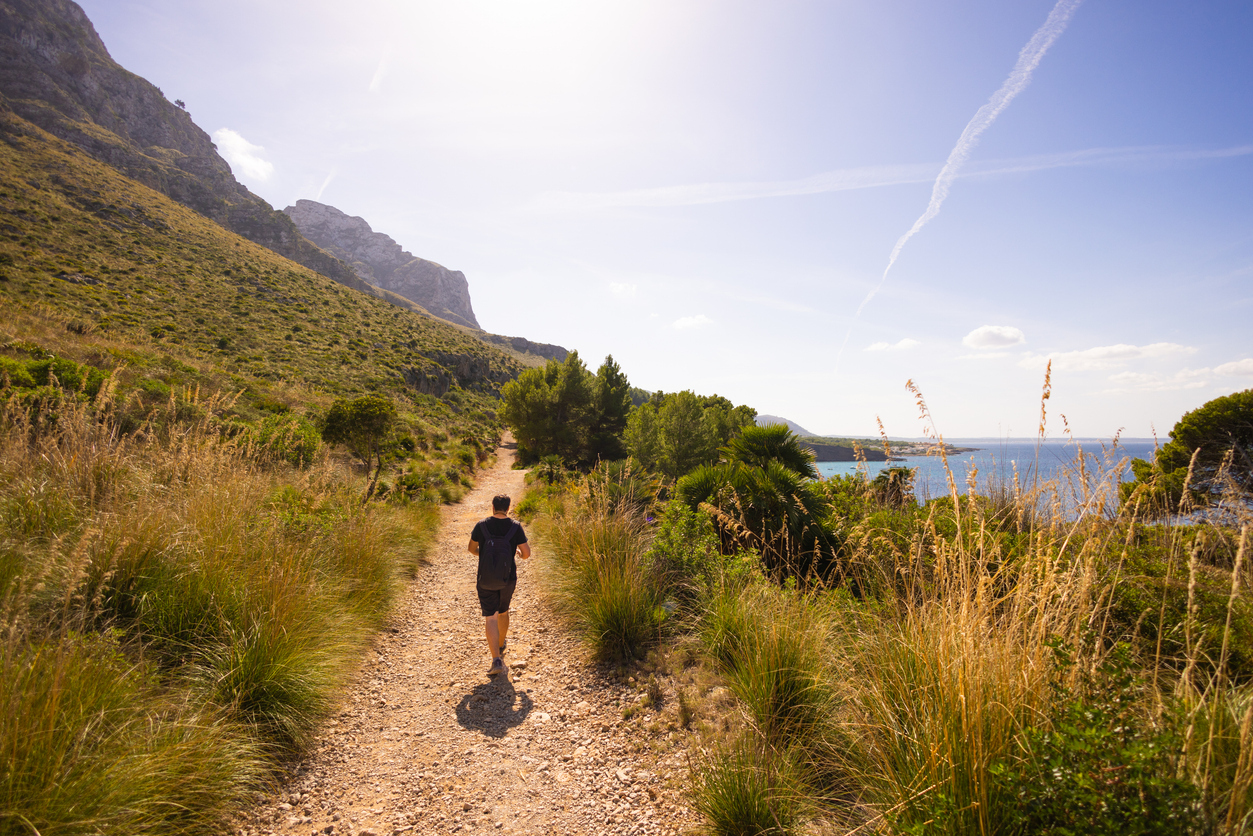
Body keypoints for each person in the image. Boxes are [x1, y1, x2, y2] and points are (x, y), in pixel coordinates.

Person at [467, 494, 530, 675]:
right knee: (503, 611)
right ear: (508, 508)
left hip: (485, 579)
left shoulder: (481, 525)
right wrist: (516, 553)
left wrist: (485, 552)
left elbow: (471, 549)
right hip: (507, 579)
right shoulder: (515, 527)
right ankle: (501, 644)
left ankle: (496, 660)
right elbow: (526, 553)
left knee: (491, 617)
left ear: (493, 507)